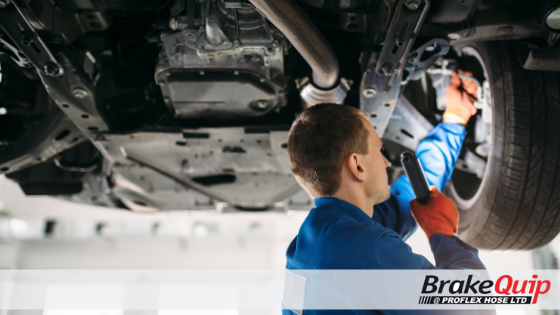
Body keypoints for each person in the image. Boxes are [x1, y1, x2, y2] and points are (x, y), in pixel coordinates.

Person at [283, 72, 486, 314]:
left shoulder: (312, 242)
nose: (387, 162)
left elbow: (406, 199)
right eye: (380, 150)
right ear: (357, 166)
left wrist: (454, 120)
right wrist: (443, 234)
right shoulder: (365, 248)